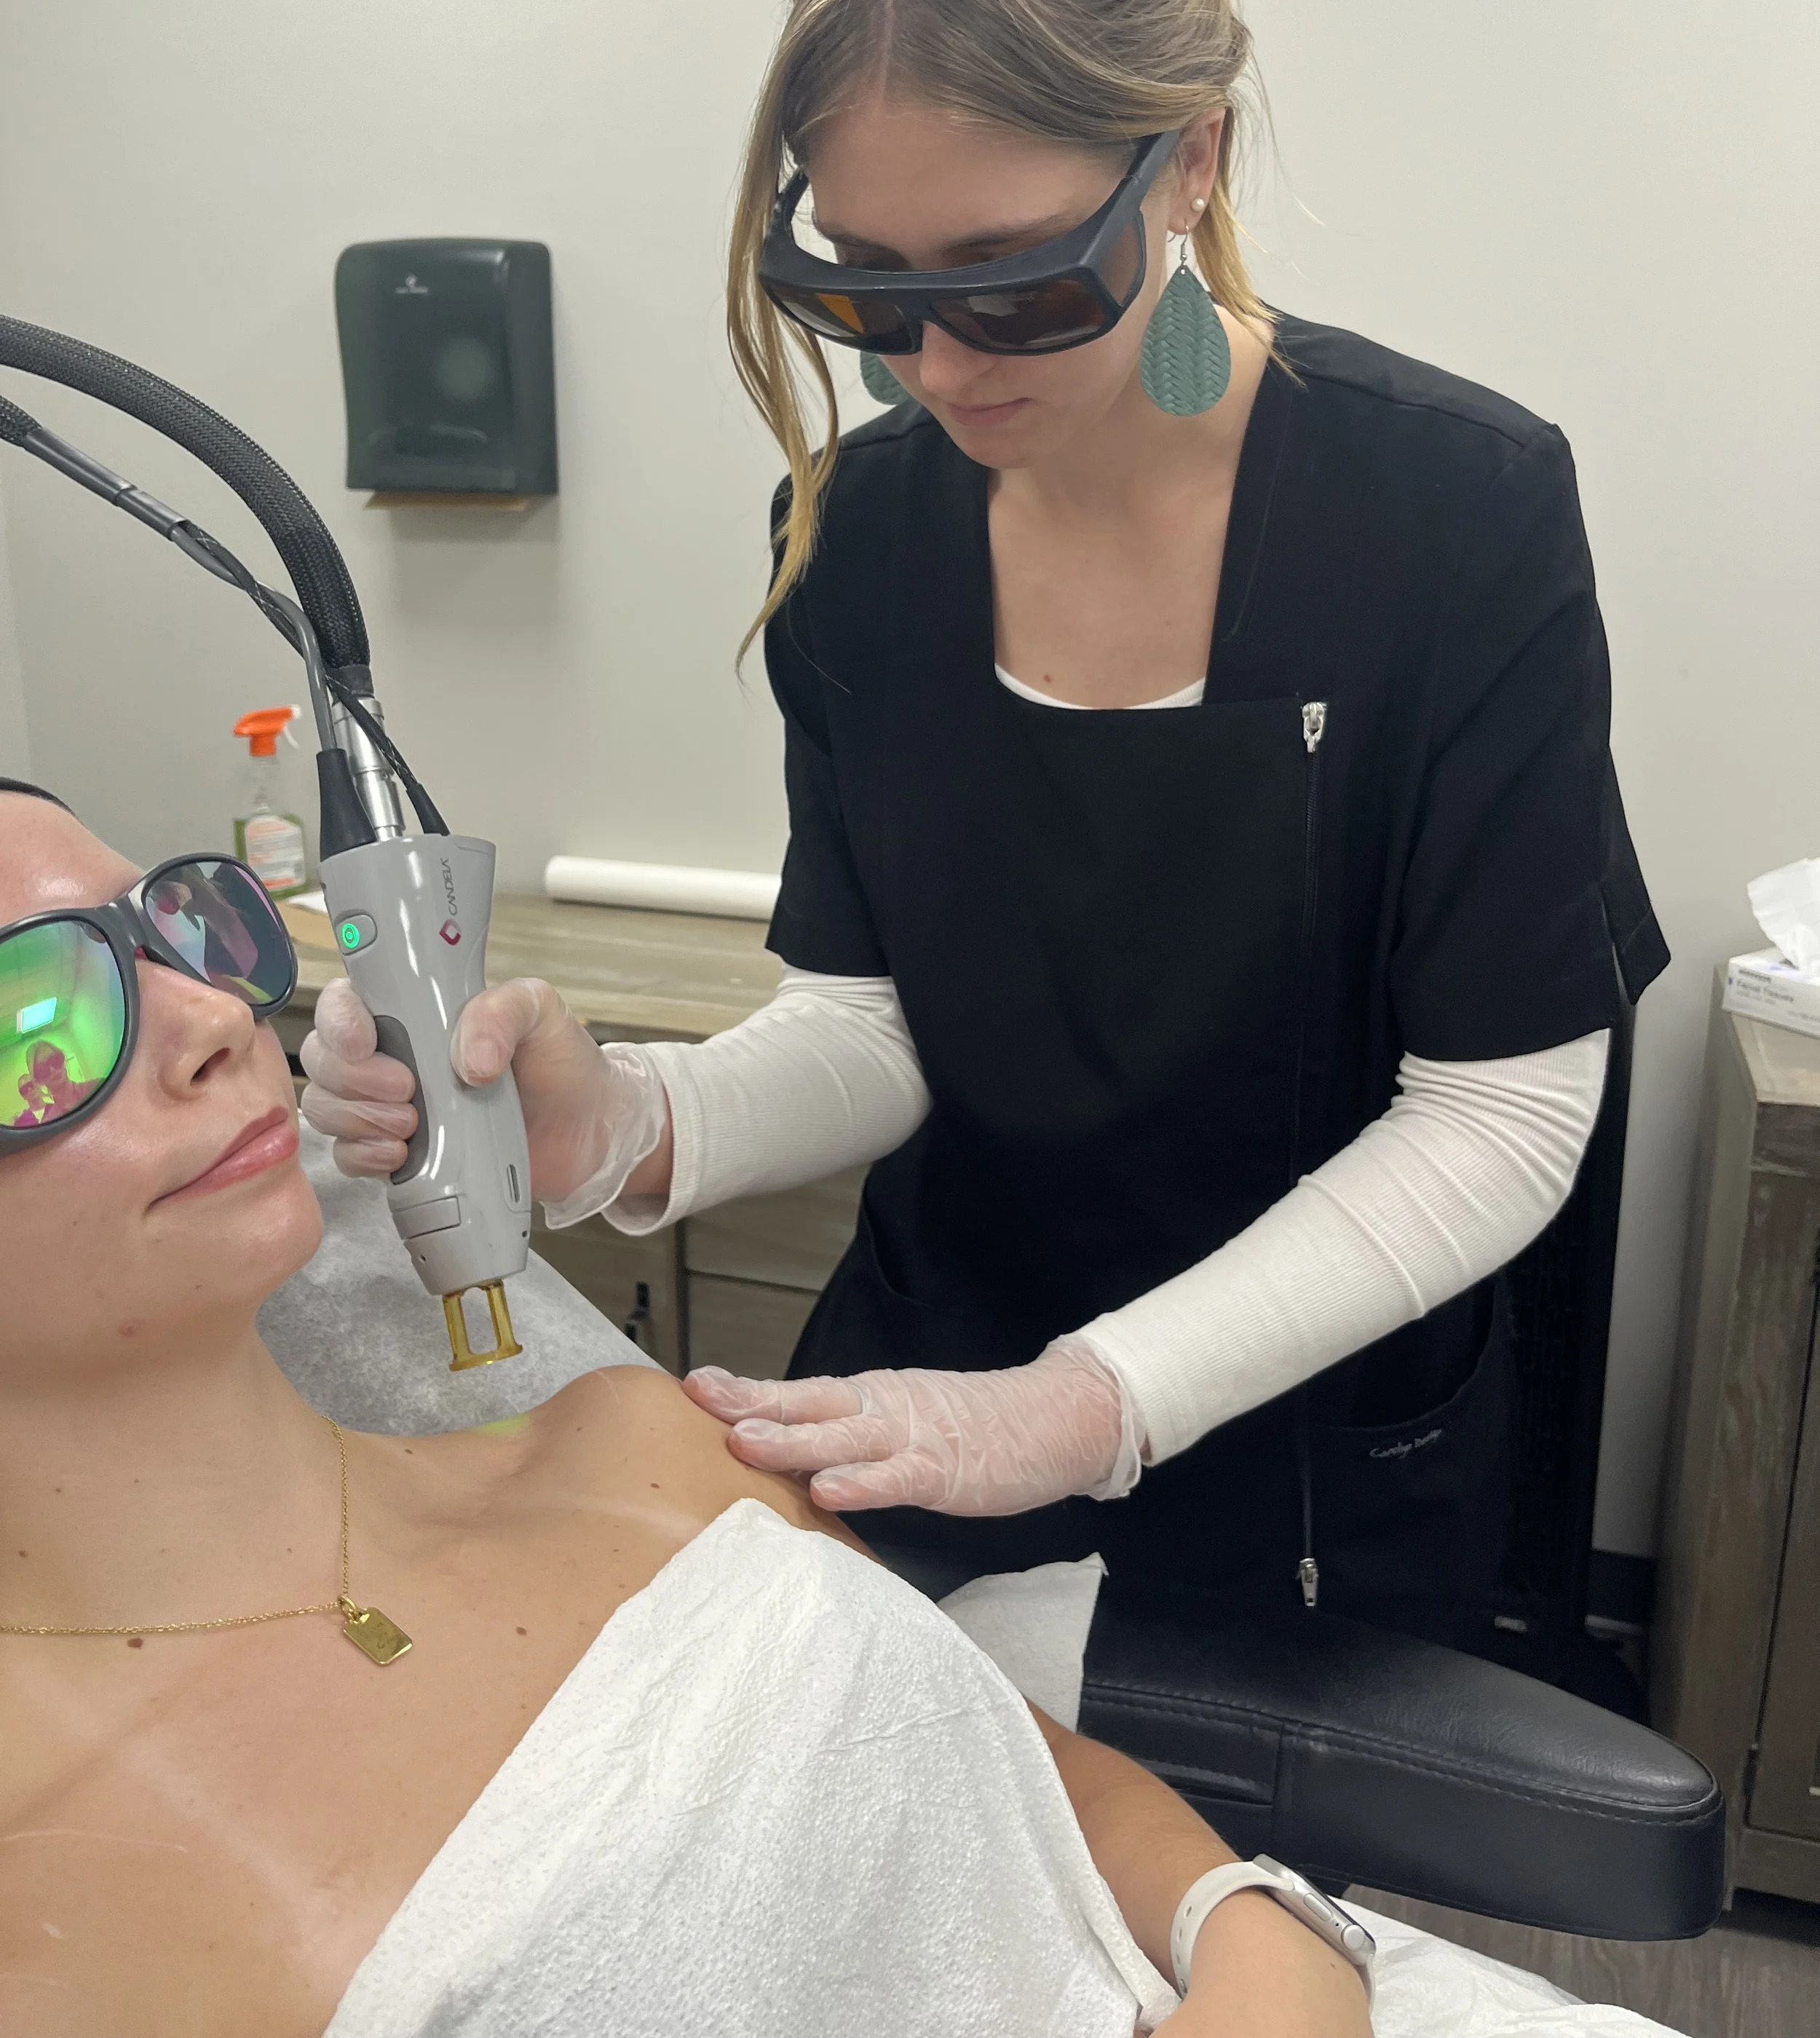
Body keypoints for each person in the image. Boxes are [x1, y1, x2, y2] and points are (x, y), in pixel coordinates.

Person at [303, 0, 1666, 1648]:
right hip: (919, 1414)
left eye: (1014, 281)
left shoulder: (1449, 512)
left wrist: (1085, 1403)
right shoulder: (854, 534)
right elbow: (874, 1033)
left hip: (1300, 1469)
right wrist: (614, 1126)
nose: (938, 366)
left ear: (1187, 153)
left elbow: (1502, 1110)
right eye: (858, 290)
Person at [0, 781, 1375, 2038]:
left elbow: (1034, 1784)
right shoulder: (53, 1909)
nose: (217, 1021)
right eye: (41, 1014)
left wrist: (1262, 1938)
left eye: (178, 932)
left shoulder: (630, 1443)